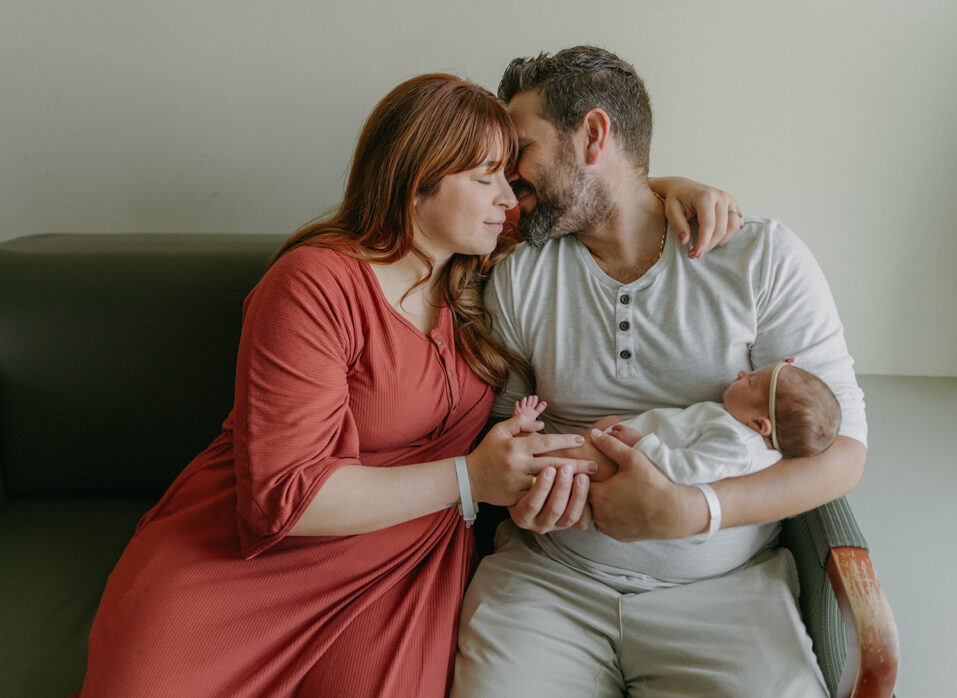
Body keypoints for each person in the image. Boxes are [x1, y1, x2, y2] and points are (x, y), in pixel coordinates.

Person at [74, 73, 737, 698]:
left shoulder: (481, 274)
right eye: (486, 181)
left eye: (508, 180)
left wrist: (671, 189)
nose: (509, 200)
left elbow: (592, 197)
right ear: (418, 182)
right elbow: (284, 500)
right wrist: (469, 481)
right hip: (254, 559)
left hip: (403, 567)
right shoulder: (315, 284)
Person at [451, 46, 868, 697]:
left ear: (593, 135)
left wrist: (690, 511)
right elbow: (501, 432)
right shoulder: (519, 277)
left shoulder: (760, 259)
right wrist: (519, 486)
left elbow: (843, 454)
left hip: (726, 596)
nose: (506, 178)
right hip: (550, 584)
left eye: (522, 150)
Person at [513, 358, 841, 488]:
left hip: (634, 461)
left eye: (752, 381)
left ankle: (520, 455)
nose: (742, 373)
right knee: (588, 441)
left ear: (760, 424)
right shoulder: (741, 427)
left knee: (577, 455)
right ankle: (527, 452)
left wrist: (641, 444)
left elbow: (686, 469)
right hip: (629, 438)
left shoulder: (737, 446)